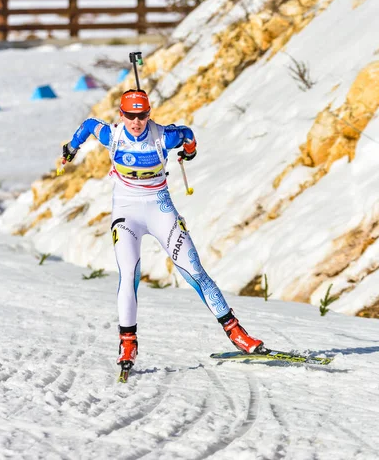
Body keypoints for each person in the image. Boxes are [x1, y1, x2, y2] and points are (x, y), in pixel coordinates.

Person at [62, 89, 264, 367]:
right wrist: (71, 149)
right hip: (126, 212)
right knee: (129, 274)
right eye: (130, 116)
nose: (136, 122)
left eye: (142, 115)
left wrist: (189, 152)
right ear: (121, 115)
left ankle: (238, 334)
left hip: (160, 209)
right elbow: (86, 126)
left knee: (195, 271)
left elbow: (187, 133)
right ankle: (128, 343)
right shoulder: (113, 135)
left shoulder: (163, 136)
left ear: (149, 114)